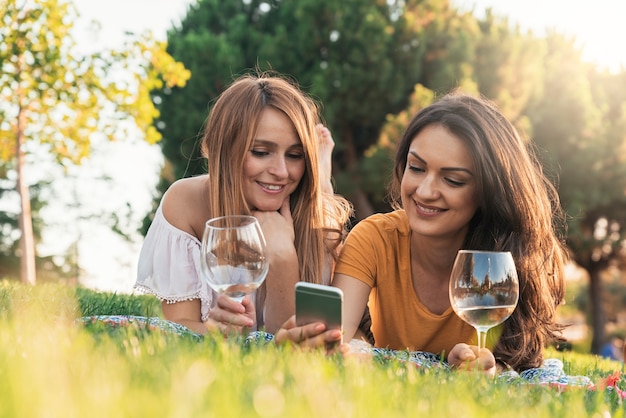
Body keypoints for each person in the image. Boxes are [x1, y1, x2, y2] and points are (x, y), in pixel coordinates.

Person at [277, 90, 568, 374]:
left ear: (488, 191)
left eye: (453, 180)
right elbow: (336, 334)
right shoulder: (376, 239)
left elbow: (516, 362)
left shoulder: (504, 261)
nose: (425, 191)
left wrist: (484, 367)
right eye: (416, 168)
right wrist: (314, 341)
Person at [134, 71, 352, 337]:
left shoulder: (320, 223)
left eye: (295, 155)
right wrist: (215, 333)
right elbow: (178, 325)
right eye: (261, 152)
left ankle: (322, 177)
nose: (281, 171)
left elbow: (292, 348)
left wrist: (283, 259)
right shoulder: (186, 203)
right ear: (225, 150)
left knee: (321, 199)